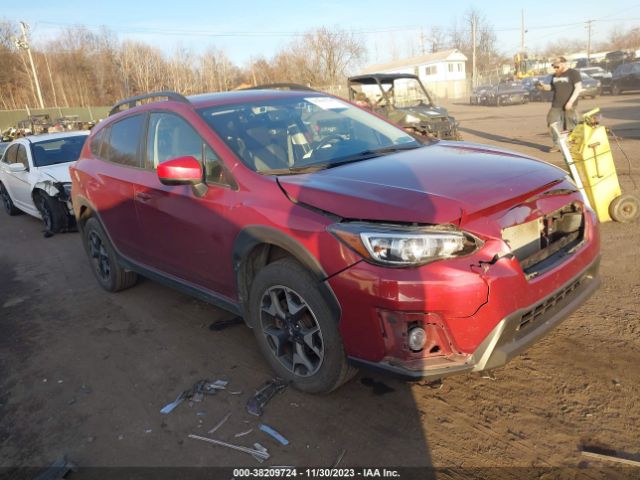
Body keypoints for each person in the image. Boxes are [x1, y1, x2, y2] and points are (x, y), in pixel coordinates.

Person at [536, 56, 582, 152]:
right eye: (554, 67)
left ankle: (573, 144)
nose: (555, 68)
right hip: (556, 104)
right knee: (552, 122)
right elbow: (551, 88)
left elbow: (578, 88)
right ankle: (557, 145)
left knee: (570, 125)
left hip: (570, 104)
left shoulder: (573, 73)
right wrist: (543, 86)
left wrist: (570, 102)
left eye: (557, 66)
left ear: (564, 63)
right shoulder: (555, 76)